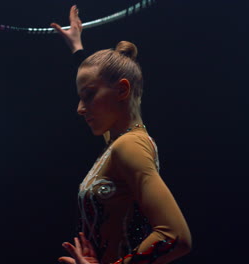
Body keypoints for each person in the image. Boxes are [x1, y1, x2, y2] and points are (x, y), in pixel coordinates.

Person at [51, 6, 192, 264]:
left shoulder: (130, 146)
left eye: (88, 96)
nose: (80, 109)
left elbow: (175, 236)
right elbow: (98, 80)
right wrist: (77, 48)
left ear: (122, 90)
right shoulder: (118, 141)